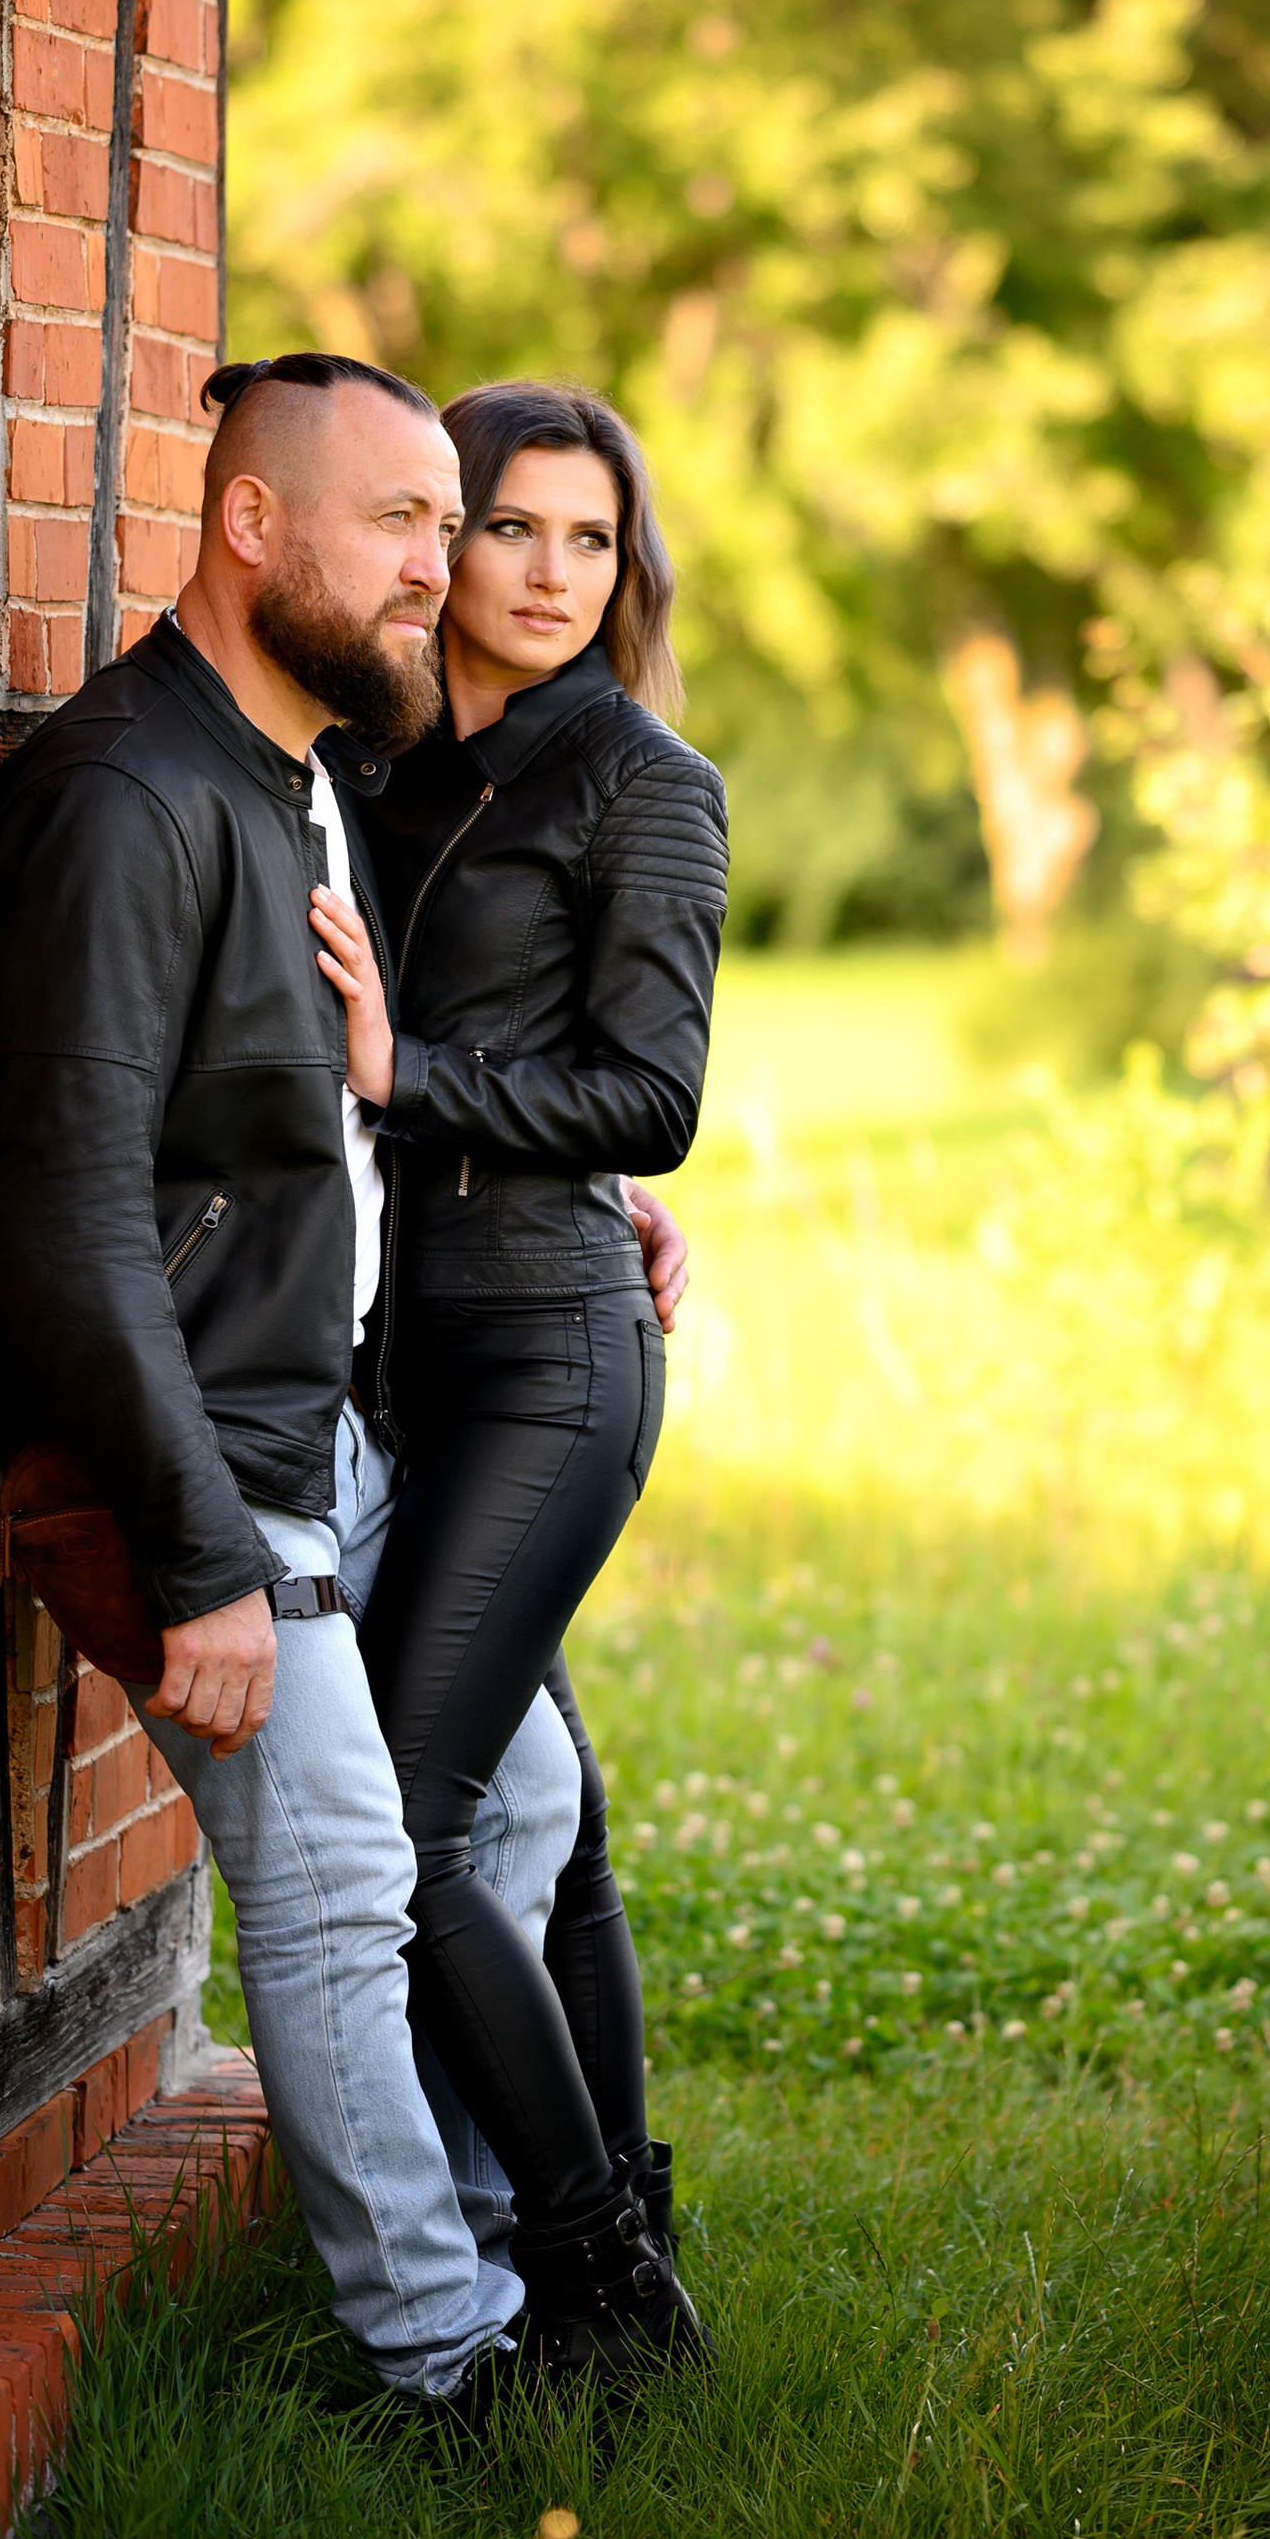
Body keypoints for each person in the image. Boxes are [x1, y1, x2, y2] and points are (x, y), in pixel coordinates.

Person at [0, 351, 690, 2427]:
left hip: (330, 1419)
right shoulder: (127, 800)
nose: (436, 572)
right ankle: (438, 2356)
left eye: (447, 528)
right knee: (350, 1877)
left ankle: (500, 2248)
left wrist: (605, 1187)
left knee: (524, 1800)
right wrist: (199, 1557)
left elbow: (334, 1113)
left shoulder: (307, 777)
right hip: (203, 1455)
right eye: (401, 526)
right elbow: (66, 1225)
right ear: (249, 523)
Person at [307, 380, 726, 2383]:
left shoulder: (640, 780)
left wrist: (414, 1074)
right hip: (397, 1350)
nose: (551, 573)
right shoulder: (360, 760)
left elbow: (655, 1096)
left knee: (405, 1824)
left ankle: (603, 2288)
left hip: (550, 1356)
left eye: (590, 539)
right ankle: (622, 2214)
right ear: (439, 535)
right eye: (510, 527)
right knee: (551, 1820)